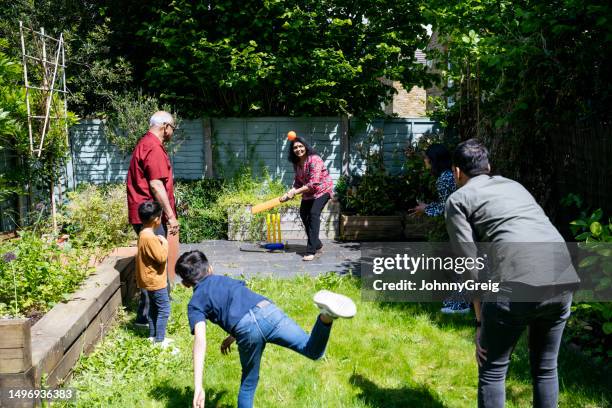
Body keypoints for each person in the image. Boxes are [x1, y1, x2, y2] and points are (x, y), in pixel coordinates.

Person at [444, 139, 580, 408]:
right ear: (489, 166)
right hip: (563, 278)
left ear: (456, 172)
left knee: (492, 369)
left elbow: (469, 266)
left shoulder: (458, 199)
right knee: (545, 368)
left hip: (514, 284)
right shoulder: (513, 185)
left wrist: (481, 322)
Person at [175, 250, 357, 408]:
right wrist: (232, 337)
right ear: (210, 268)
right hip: (267, 310)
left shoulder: (195, 303)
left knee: (249, 382)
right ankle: (326, 316)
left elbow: (200, 340)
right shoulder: (224, 279)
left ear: (185, 284)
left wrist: (198, 386)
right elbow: (243, 305)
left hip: (246, 330)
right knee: (313, 350)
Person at [126, 111, 179, 326]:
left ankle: (152, 311)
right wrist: (170, 216)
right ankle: (147, 318)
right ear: (165, 126)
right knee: (154, 265)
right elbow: (156, 185)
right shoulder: (153, 147)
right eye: (173, 127)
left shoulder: (146, 144)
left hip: (148, 215)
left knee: (151, 263)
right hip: (151, 216)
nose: (173, 132)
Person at [410, 143, 470, 314]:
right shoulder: (449, 175)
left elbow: (447, 207)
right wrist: (428, 206)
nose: (425, 160)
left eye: (427, 157)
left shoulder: (444, 178)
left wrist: (425, 209)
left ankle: (460, 304)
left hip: (460, 225)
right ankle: (460, 301)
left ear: (433, 160)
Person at [281, 135, 334, 261]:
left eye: (300, 146)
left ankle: (311, 250)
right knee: (304, 214)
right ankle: (318, 244)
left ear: (305, 146)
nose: (298, 149)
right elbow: (298, 182)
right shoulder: (297, 163)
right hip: (308, 193)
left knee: (313, 214)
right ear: (292, 150)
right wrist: (290, 192)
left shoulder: (314, 159)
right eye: (295, 147)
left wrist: (295, 192)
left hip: (322, 190)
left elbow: (313, 183)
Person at [135, 201, 176, 353]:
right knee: (164, 309)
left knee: (152, 308)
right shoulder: (151, 238)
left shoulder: (142, 233)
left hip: (147, 279)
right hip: (156, 280)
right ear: (156, 220)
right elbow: (161, 257)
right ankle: (160, 340)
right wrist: (164, 243)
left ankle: (152, 336)